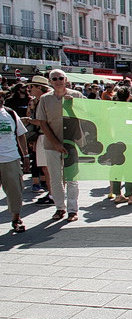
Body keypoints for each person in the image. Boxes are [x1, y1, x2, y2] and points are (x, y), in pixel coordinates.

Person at [35, 69, 85, 221]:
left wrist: (73, 106)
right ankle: (59, 208)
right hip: (52, 143)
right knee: (55, 178)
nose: (58, 81)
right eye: (54, 78)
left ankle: (72, 210)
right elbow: (42, 122)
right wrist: (55, 143)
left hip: (72, 142)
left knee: (72, 178)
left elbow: (86, 116)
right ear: (50, 81)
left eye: (60, 78)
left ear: (66, 79)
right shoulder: (45, 99)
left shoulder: (76, 95)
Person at [0, 90, 30, 232]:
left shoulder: (10, 113)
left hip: (11, 158)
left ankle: (16, 218)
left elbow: (21, 135)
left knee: (15, 191)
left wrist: (25, 156)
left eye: (1, 96)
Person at [110, 87, 132, 206]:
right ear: (128, 96)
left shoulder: (111, 110)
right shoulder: (130, 110)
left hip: (115, 141)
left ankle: (117, 194)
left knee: (116, 168)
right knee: (129, 169)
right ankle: (130, 195)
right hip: (128, 141)